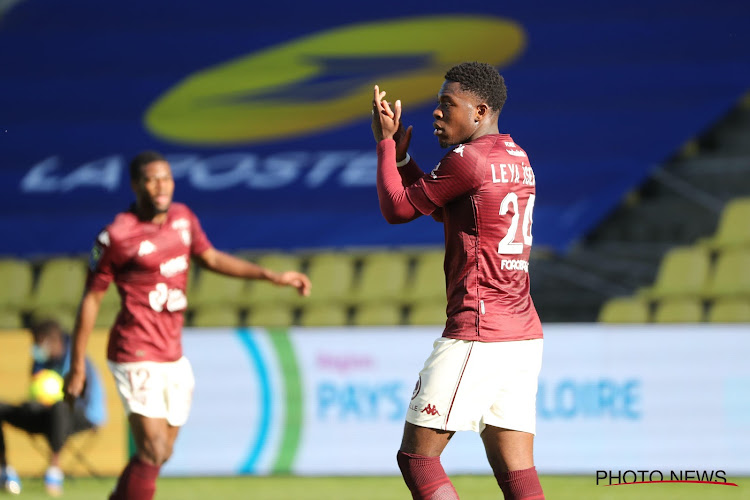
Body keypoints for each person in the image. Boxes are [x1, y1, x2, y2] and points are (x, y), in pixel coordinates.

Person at [63, 151, 312, 500]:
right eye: (151, 178)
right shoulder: (116, 236)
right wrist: (76, 366)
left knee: (161, 452)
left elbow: (210, 257)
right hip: (134, 349)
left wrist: (272, 276)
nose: (161, 185)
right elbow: (91, 299)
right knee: (151, 451)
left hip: (172, 352)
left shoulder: (182, 218)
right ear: (136, 184)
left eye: (166, 177)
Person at [371, 62, 545, 500]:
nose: (436, 113)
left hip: (478, 331)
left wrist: (384, 145)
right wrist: (405, 161)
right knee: (515, 472)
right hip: (522, 334)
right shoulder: (517, 158)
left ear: (480, 110)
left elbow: (398, 209)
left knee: (418, 458)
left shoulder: (468, 160)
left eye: (448, 104)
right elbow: (443, 207)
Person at [0, 319, 106, 496]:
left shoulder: (77, 360)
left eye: (38, 343)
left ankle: (54, 472)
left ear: (52, 341)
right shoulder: (39, 361)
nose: (35, 347)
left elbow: (82, 399)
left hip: (83, 415)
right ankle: (4, 472)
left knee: (60, 408)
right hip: (46, 413)